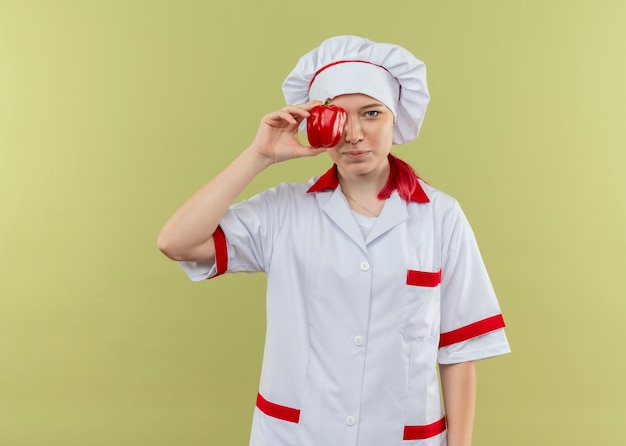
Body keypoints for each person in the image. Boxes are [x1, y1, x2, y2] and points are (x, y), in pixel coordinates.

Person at [158, 35, 510, 446]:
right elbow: (176, 242)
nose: (355, 134)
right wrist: (259, 155)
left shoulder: (440, 216)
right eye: (339, 118)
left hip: (403, 436)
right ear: (319, 126)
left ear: (396, 119)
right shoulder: (283, 211)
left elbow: (458, 351)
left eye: (372, 114)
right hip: (298, 435)